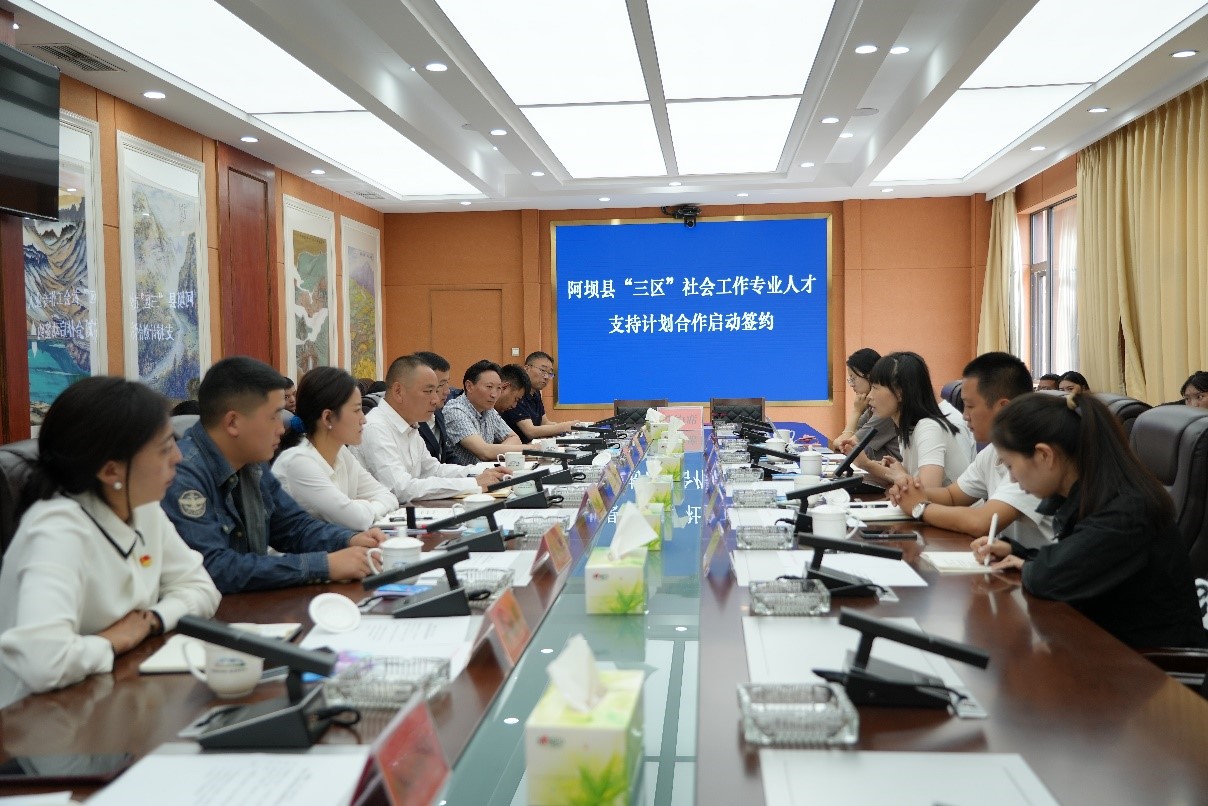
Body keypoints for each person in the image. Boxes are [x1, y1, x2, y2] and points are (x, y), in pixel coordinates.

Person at [0, 378, 220, 707]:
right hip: (38, 717)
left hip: (111, 693)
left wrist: (152, 620)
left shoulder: (143, 508)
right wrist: (113, 640)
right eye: (164, 449)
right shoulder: (57, 530)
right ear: (111, 471)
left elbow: (202, 589)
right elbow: (43, 662)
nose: (178, 457)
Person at [972, 392, 1206, 648]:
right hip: (1112, 647)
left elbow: (1051, 577)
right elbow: (1081, 561)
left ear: (1044, 455)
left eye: (1010, 466)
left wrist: (1032, 566)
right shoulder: (1095, 495)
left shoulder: (1126, 512)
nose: (1012, 479)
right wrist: (1018, 554)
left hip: (1154, 664)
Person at [163, 357, 385, 594]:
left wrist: (349, 540)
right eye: (274, 416)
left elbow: (293, 527)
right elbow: (215, 568)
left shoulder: (252, 464)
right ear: (233, 422)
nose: (281, 428)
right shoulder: (182, 474)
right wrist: (324, 566)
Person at [889, 352, 1054, 547]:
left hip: (1040, 564)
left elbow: (982, 523)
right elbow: (952, 496)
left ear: (1003, 408)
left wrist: (920, 508)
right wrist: (909, 493)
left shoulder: (1033, 456)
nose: (964, 416)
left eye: (969, 406)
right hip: (1010, 557)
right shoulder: (993, 451)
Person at [358, 355, 509, 502]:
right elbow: (400, 489)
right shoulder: (376, 428)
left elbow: (434, 470)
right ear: (398, 391)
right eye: (428, 391)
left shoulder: (410, 425)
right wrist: (474, 483)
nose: (435, 399)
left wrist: (482, 472)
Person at [272, 367, 398, 530]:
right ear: (328, 417)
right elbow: (357, 520)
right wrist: (362, 507)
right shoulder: (298, 462)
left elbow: (388, 497)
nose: (364, 419)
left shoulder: (341, 453)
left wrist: (357, 507)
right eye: (357, 410)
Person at [856, 351, 975, 488]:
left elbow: (926, 492)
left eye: (875, 388)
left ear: (900, 392)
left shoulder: (930, 427)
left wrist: (900, 475)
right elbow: (912, 479)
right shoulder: (910, 425)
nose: (869, 396)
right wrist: (868, 465)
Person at [831, 347, 901, 470]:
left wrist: (856, 411)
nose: (851, 384)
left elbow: (846, 445)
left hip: (894, 473)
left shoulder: (885, 411)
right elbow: (843, 441)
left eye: (853, 378)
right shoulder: (871, 407)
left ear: (869, 376)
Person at [443, 360, 523, 464]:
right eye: (489, 387)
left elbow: (514, 438)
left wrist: (494, 452)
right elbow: (484, 452)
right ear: (469, 386)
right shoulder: (455, 411)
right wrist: (532, 448)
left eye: (498, 388)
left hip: (487, 471)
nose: (494, 395)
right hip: (465, 473)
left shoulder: (489, 410)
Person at [503, 351, 576, 442]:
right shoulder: (517, 394)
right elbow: (530, 431)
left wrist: (572, 428)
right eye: (543, 370)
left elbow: (544, 422)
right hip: (517, 447)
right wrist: (563, 427)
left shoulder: (536, 393)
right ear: (527, 368)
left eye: (550, 373)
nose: (546, 377)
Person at [412, 351, 455, 462]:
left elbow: (447, 455)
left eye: (447, 382)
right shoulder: (408, 420)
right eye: (441, 385)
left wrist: (476, 472)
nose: (447, 391)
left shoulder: (438, 412)